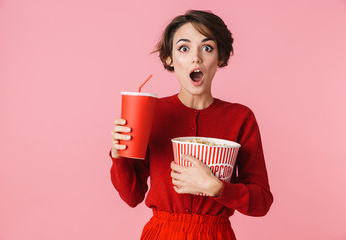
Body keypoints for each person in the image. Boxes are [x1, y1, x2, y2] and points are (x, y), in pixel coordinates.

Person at [110, 10, 273, 240]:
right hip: (161, 233)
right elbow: (132, 196)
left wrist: (216, 188)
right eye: (184, 48)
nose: (196, 57)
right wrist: (119, 156)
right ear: (170, 59)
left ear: (221, 57)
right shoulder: (152, 113)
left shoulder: (240, 118)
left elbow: (261, 202)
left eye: (207, 48)